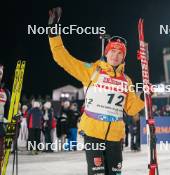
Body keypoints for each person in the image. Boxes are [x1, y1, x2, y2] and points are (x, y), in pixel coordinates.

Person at [48, 7, 144, 175]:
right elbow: (62, 58)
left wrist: (144, 95)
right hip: (93, 133)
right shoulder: (92, 71)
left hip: (115, 136)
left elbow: (131, 109)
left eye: (119, 53)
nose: (115, 55)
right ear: (106, 53)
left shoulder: (126, 80)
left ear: (123, 57)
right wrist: (53, 32)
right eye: (112, 51)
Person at [0, 64, 10, 172]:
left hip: (0, 129)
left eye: (0, 73)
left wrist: (15, 117)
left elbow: (9, 112)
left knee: (0, 155)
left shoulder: (5, 92)